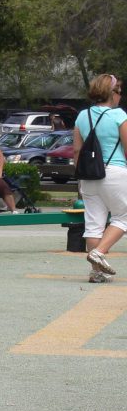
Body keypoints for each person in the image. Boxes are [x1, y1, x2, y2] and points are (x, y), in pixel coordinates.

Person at [73, 74, 127, 283]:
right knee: (123, 217)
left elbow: (77, 150)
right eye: (119, 92)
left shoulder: (82, 116)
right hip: (115, 172)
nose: (120, 97)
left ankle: (97, 272)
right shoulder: (118, 116)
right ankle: (100, 252)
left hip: (88, 176)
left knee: (94, 224)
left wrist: (81, 177)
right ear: (111, 93)